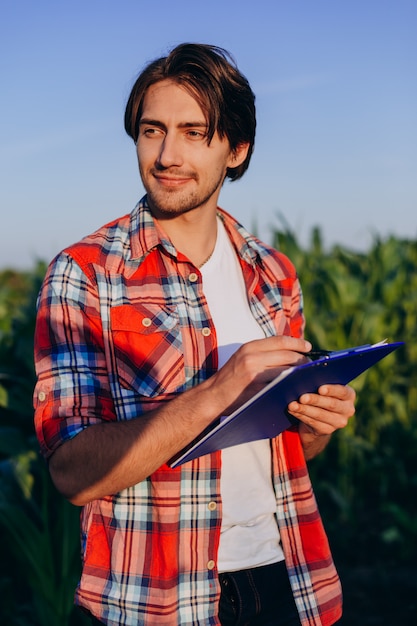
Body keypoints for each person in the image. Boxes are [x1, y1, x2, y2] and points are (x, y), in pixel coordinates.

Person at [33, 43, 355, 626]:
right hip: (152, 601)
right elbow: (72, 474)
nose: (166, 154)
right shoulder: (84, 273)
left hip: (284, 581)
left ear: (236, 150)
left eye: (193, 132)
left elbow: (285, 454)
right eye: (152, 130)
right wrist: (216, 392)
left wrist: (315, 425)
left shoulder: (274, 274)